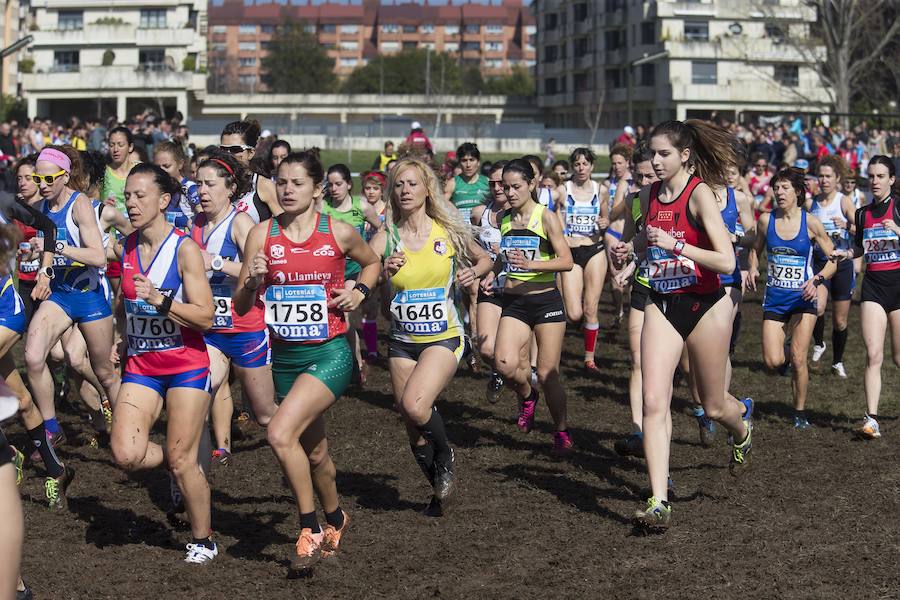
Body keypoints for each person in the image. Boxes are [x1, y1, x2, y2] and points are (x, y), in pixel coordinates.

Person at [234, 148, 380, 569]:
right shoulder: (261, 235)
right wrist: (253, 281)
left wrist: (359, 292)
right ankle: (336, 517)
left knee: (280, 434)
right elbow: (243, 306)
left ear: (318, 190)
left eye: (297, 183)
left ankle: (309, 527)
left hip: (330, 354)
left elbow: (372, 263)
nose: (287, 190)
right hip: (285, 359)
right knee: (314, 453)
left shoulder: (338, 232)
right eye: (281, 182)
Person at [611, 120, 752, 530]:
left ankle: (741, 427)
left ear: (684, 156)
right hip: (662, 301)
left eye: (663, 154)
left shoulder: (700, 194)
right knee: (655, 402)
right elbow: (647, 237)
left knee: (713, 404)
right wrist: (630, 252)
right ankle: (659, 500)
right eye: (651, 153)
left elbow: (727, 261)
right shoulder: (647, 193)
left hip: (705, 304)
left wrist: (678, 246)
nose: (654, 161)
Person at [370, 157, 492, 516]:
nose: (405, 191)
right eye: (400, 185)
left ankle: (446, 455)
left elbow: (484, 258)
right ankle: (437, 493)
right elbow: (365, 272)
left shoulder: (447, 229)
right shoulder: (385, 236)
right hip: (402, 339)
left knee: (415, 406)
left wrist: (474, 274)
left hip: (444, 334)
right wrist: (381, 272)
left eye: (412, 184)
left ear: (427, 190)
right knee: (412, 426)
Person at [109, 163, 218, 564]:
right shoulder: (128, 245)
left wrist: (162, 301)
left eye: (140, 196)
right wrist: (122, 336)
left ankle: (203, 539)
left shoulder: (185, 248)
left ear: (164, 201)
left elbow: (205, 316)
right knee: (125, 453)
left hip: (185, 364)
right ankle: (181, 465)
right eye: (128, 196)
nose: (132, 203)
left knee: (181, 458)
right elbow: (125, 301)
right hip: (142, 362)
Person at [25, 146, 122, 508]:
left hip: (90, 295)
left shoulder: (80, 204)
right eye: (38, 178)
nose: (42, 184)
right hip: (61, 295)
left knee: (103, 372)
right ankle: (52, 428)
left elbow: (98, 255)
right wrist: (42, 266)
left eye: (49, 177)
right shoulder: (40, 209)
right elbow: (47, 251)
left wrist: (60, 248)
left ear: (65, 176)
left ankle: (126, 427)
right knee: (34, 357)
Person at [191, 151, 277, 463]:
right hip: (211, 329)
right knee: (203, 390)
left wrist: (214, 262)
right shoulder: (195, 224)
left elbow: (256, 271)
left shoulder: (241, 223)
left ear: (230, 188)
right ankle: (208, 458)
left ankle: (302, 438)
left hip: (246, 327)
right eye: (198, 183)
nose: (202, 190)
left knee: (264, 415)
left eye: (209, 184)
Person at [488, 158, 573, 453]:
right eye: (504, 187)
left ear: (532, 185)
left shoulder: (546, 217)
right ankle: (527, 396)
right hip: (515, 301)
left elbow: (567, 261)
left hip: (546, 301)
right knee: (504, 364)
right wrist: (490, 272)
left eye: (515, 187)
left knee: (548, 374)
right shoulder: (505, 219)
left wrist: (532, 263)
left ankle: (561, 430)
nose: (509, 192)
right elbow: (505, 257)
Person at [748, 167, 837, 429]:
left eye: (785, 188)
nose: (779, 192)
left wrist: (817, 280)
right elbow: (755, 249)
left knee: (799, 358)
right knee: (772, 362)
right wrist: (753, 266)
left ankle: (799, 412)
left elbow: (833, 260)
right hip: (775, 298)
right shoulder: (766, 220)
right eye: (776, 188)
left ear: (798, 192)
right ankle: (787, 347)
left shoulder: (810, 223)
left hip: (803, 298)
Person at [830, 156, 900, 439]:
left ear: (892, 180)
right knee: (873, 354)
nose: (875, 181)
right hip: (873, 286)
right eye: (871, 176)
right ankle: (871, 419)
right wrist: (847, 254)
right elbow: (861, 248)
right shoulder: (862, 214)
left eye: (881, 176)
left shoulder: (898, 207)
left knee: (898, 358)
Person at [323, 164, 382, 384]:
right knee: (331, 317)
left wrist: (374, 251)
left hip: (353, 270)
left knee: (345, 315)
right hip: (329, 271)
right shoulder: (321, 207)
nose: (334, 188)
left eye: (338, 184)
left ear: (349, 184)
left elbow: (381, 228)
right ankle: (340, 360)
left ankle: (357, 365)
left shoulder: (362, 206)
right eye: (330, 184)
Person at [556, 148, 609, 373]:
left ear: (592, 166)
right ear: (572, 167)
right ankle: (581, 327)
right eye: (577, 164)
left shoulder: (601, 190)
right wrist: (561, 234)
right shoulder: (562, 190)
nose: (581, 168)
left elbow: (606, 216)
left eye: (585, 164)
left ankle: (589, 358)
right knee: (574, 313)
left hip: (594, 250)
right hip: (571, 252)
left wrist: (605, 222)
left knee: (591, 307)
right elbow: (554, 215)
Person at [807, 156, 857, 377]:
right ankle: (819, 343)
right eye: (821, 176)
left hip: (842, 265)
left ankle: (838, 361)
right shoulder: (812, 203)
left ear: (837, 178)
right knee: (817, 308)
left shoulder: (843, 201)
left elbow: (862, 228)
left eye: (829, 176)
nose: (824, 180)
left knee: (840, 320)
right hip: (820, 263)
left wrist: (847, 225)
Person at [471, 160, 509, 402]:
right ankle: (498, 372)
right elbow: (471, 246)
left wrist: (505, 249)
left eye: (501, 183)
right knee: (486, 348)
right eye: (492, 182)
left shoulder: (524, 215)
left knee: (514, 356)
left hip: (520, 288)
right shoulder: (479, 213)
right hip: (490, 286)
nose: (496, 187)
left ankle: (525, 394)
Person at [100, 126, 139, 296]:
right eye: (112, 144)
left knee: (129, 296)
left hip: (136, 239)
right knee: (119, 298)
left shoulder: (140, 170)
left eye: (120, 144)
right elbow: (92, 205)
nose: (115, 149)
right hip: (112, 243)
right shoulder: (104, 173)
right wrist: (102, 204)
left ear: (130, 147)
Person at [220, 120, 281, 223]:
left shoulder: (264, 185)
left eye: (235, 149)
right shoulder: (216, 184)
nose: (228, 155)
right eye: (223, 149)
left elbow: (285, 226)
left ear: (251, 153)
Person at [602, 144, 634, 326]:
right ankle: (618, 312)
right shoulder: (609, 184)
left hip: (632, 235)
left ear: (628, 163)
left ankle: (630, 309)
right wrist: (627, 200)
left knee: (630, 278)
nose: (616, 167)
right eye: (613, 163)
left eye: (620, 163)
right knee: (616, 274)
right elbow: (611, 212)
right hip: (614, 232)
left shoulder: (638, 181)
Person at [360, 170, 387, 360]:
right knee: (369, 309)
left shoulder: (389, 209)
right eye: (368, 188)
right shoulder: (359, 209)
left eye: (375, 188)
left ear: (381, 190)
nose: (371, 192)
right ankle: (371, 350)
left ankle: (397, 342)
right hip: (367, 264)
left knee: (387, 309)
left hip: (386, 264)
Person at [153, 140, 199, 233]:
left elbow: (203, 215)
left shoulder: (189, 188)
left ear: (180, 164)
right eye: (158, 167)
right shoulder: (156, 190)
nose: (162, 171)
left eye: (166, 166)